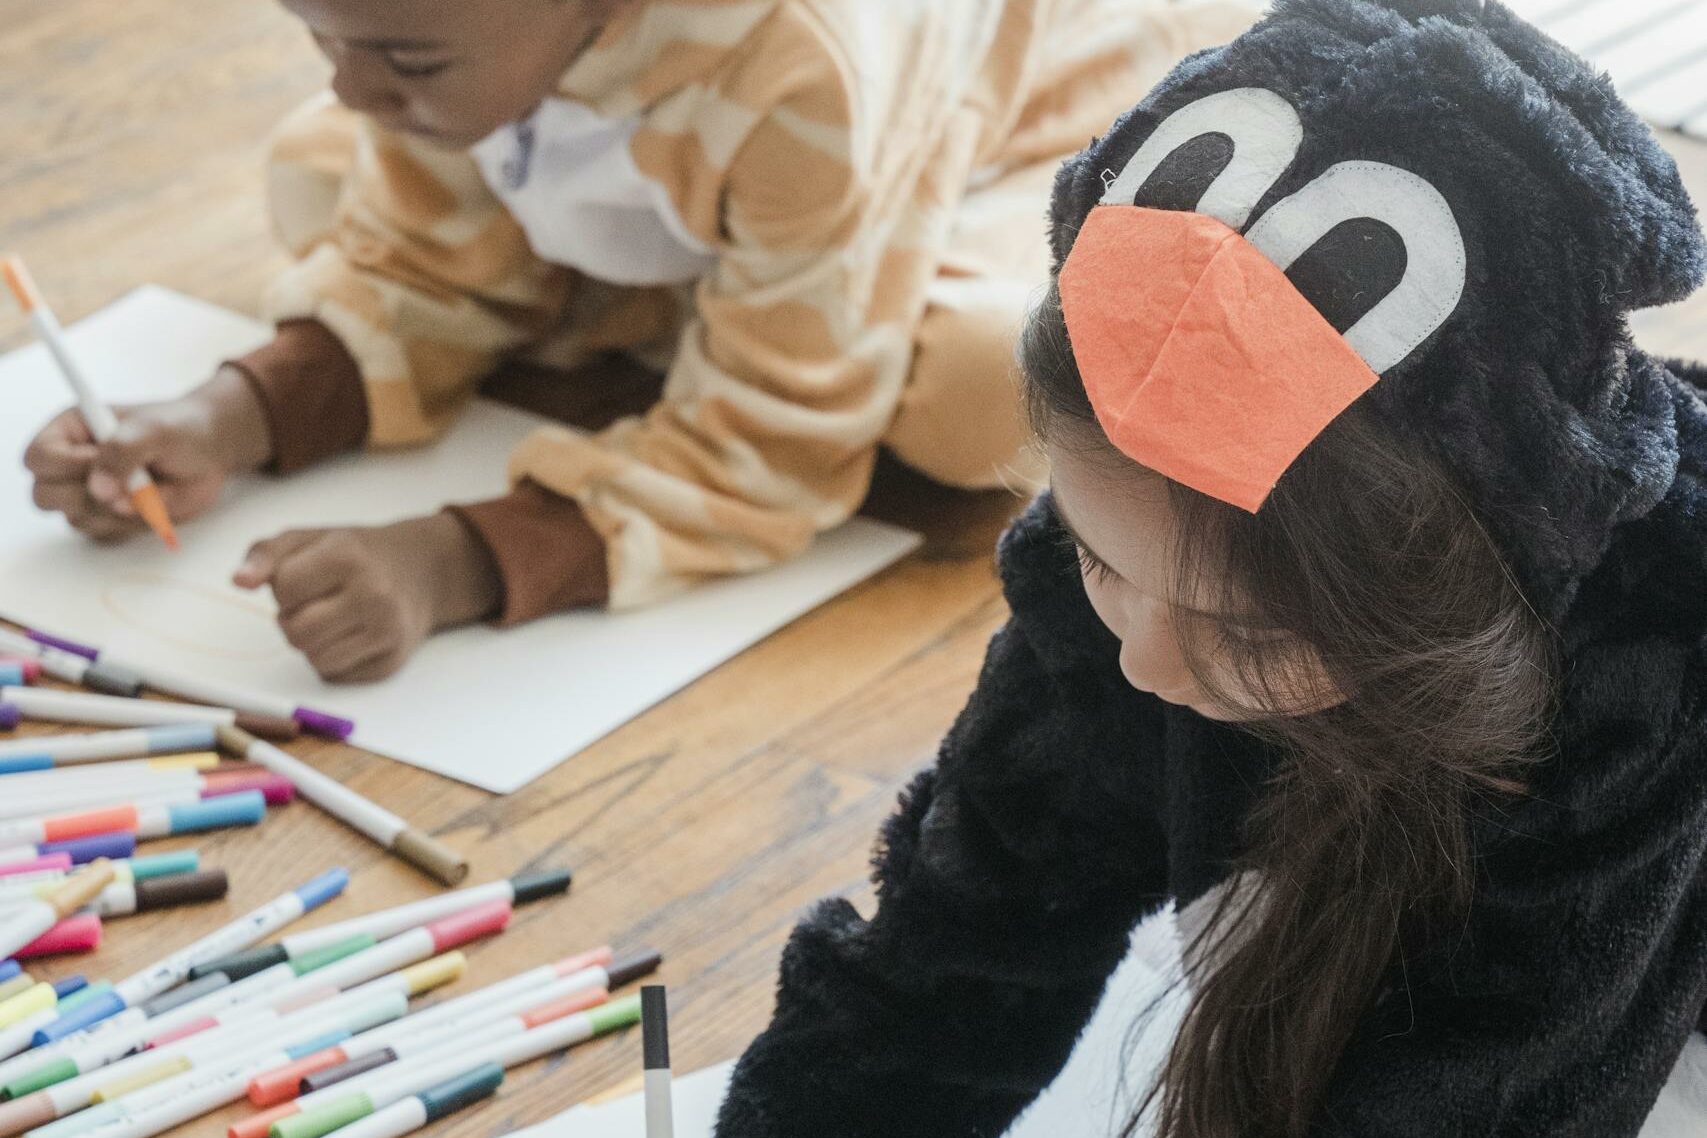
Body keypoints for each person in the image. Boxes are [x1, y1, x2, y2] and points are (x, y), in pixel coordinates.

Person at [713, 0, 1707, 1134]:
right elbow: (960, 949)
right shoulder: (1150, 557)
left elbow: (1486, 1094)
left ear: (1444, 611)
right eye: (1097, 560)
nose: (1141, 657)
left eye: (1254, 632)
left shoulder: (1634, 693)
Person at [21, 0, 1252, 683]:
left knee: (975, 392)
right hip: (735, 187)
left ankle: (699, 301)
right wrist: (230, 414)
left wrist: (460, 558)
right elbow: (413, 258)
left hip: (1007, 146)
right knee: (313, 169)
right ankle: (702, 294)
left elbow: (769, 441)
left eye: (399, 56)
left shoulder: (805, 66)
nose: (351, 87)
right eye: (317, 38)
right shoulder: (452, 32)